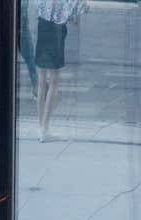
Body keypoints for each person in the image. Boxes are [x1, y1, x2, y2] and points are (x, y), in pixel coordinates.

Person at [33, 0, 86, 142]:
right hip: (57, 28)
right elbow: (77, 8)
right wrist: (74, 17)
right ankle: (45, 127)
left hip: (43, 23)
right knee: (54, 81)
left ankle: (41, 127)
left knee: (42, 80)